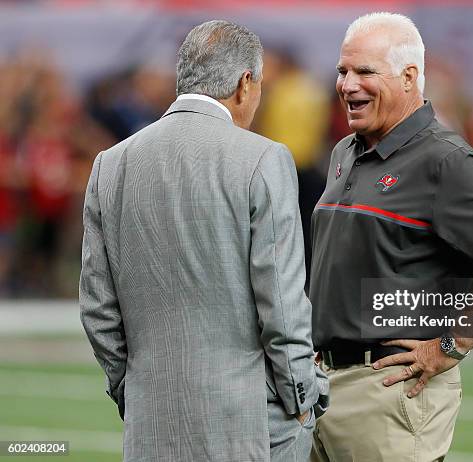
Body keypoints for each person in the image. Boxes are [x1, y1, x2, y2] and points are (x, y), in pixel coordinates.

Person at [80, 20, 327, 462]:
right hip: (251, 422)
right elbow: (283, 304)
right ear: (244, 83)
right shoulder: (263, 159)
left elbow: (98, 309)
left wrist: (132, 389)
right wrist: (305, 395)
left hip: (150, 420)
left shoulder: (110, 165)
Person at [309, 12, 473, 462]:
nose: (347, 84)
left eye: (364, 71)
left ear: (409, 77)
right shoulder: (346, 151)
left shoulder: (446, 160)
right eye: (342, 71)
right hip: (323, 385)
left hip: (387, 391)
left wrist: (451, 346)